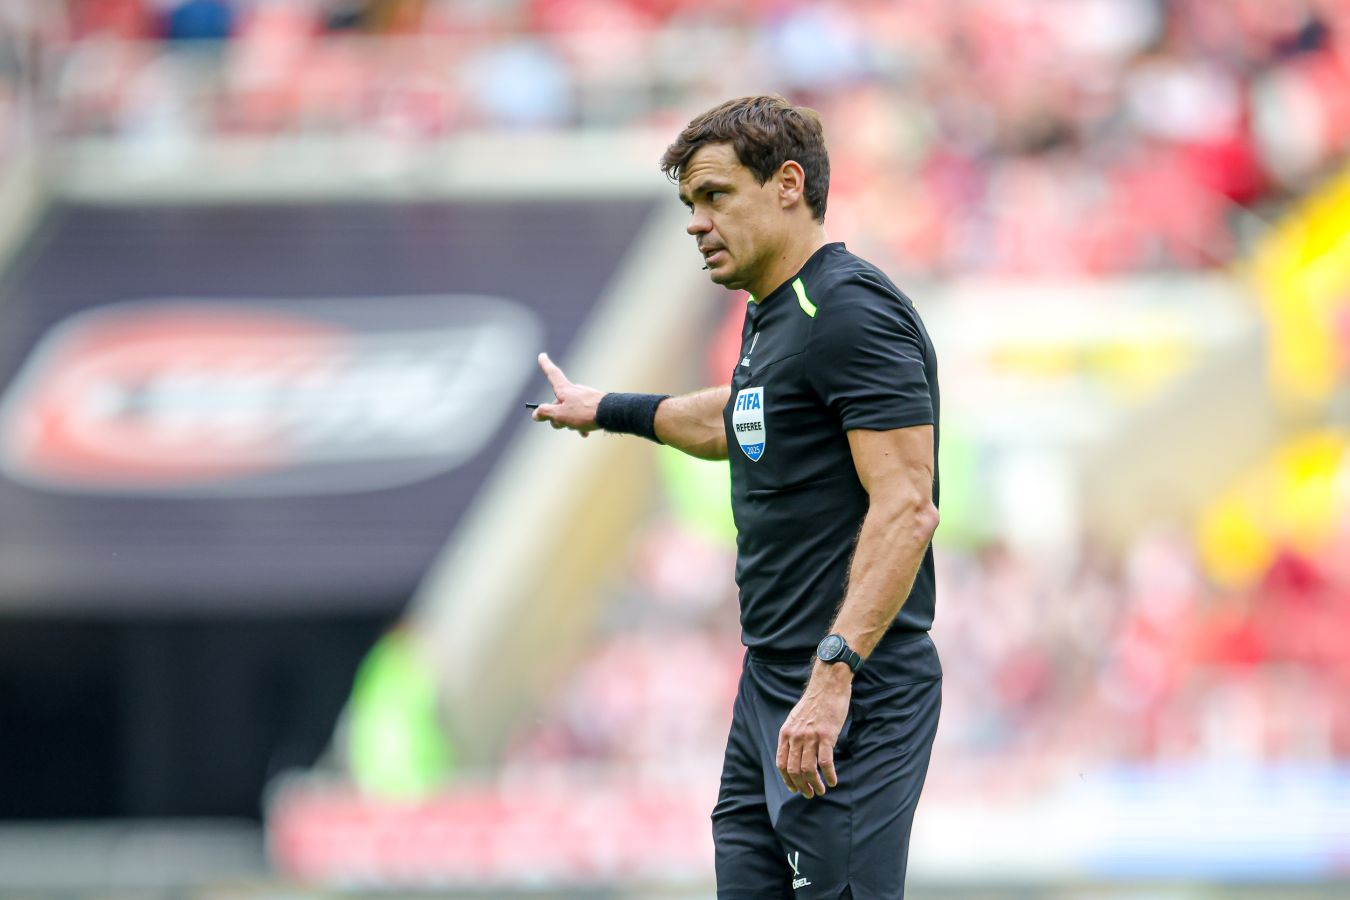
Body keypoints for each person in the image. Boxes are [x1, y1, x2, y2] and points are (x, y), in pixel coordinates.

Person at [532, 95, 942, 900]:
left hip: (850, 685)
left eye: (715, 195)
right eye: (691, 203)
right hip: (771, 682)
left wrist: (833, 675)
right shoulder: (773, 314)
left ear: (788, 184)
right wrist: (609, 409)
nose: (696, 222)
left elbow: (908, 507)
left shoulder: (850, 310)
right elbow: (741, 417)